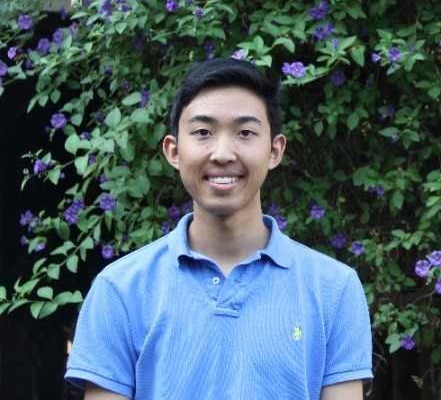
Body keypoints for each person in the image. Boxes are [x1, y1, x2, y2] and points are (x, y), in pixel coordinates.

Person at [65, 58, 373, 399]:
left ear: (274, 151)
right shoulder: (120, 290)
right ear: (173, 151)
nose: (223, 153)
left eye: (245, 133)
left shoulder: (334, 289)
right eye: (203, 133)